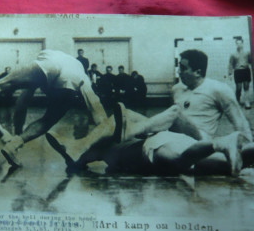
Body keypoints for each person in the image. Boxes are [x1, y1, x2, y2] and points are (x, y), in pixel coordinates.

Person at [0, 50, 174, 167]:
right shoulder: (81, 73)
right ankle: (19, 144)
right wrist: (15, 140)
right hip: (75, 84)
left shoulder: (46, 60)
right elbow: (97, 116)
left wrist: (15, 131)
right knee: (48, 121)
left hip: (51, 66)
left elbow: (21, 104)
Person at [46, 49, 253, 176]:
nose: (179, 71)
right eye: (179, 66)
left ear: (198, 71)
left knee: (174, 112)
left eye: (183, 68)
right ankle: (80, 152)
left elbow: (241, 125)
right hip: (174, 136)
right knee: (122, 116)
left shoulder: (218, 89)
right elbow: (166, 124)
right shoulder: (177, 89)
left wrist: (247, 144)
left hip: (198, 136)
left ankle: (127, 131)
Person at [228, 38, 252, 109]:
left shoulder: (247, 52)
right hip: (238, 71)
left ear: (242, 43)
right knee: (238, 88)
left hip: (246, 70)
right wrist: (230, 74)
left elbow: (251, 61)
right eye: (237, 43)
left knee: (246, 87)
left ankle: (246, 102)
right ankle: (237, 101)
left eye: (240, 43)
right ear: (236, 44)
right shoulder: (233, 54)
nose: (239, 44)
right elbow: (231, 64)